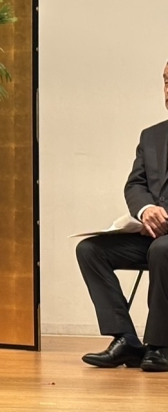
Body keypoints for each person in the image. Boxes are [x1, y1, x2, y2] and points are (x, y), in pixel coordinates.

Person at [76, 61, 168, 372]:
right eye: (166, 81)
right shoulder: (151, 136)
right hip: (152, 234)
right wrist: (145, 211)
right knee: (90, 250)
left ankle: (160, 345)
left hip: (163, 243)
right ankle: (126, 339)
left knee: (162, 249)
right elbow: (135, 185)